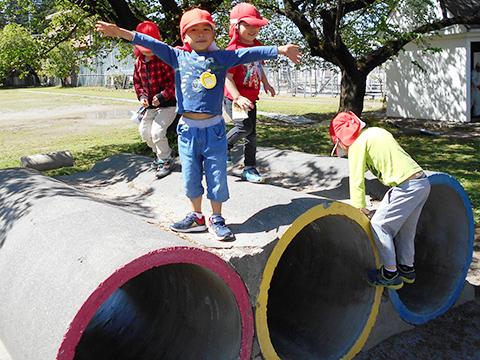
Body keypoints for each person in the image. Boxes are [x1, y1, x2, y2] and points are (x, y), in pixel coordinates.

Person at [95, 8, 301, 241]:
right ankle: (196, 216)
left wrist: (280, 50)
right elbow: (149, 41)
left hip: (214, 131)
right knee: (191, 177)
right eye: (194, 30)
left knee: (217, 176)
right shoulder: (177, 56)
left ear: (214, 34)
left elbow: (250, 54)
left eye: (206, 29)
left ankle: (216, 218)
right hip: (187, 131)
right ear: (185, 37)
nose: (200, 34)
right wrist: (120, 32)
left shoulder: (222, 58)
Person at [329, 111, 431, 290]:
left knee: (379, 225)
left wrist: (360, 206)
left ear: (343, 137)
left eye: (339, 143)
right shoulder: (376, 132)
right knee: (406, 228)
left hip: (405, 187)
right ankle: (407, 268)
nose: (342, 148)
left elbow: (356, 178)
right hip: (422, 183)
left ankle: (390, 273)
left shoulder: (358, 145)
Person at [223, 3, 275, 183]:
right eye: (248, 25)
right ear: (236, 26)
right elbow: (227, 78)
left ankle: (249, 168)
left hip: (251, 98)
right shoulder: (233, 50)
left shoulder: (257, 46)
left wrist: (266, 83)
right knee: (244, 128)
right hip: (235, 97)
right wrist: (237, 97)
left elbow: (258, 67)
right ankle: (223, 146)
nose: (253, 29)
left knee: (252, 135)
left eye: (256, 25)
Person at [133, 21, 177, 179]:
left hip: (167, 105)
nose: (148, 52)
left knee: (157, 132)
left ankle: (165, 160)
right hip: (150, 107)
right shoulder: (138, 62)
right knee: (145, 133)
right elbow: (137, 83)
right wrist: (143, 96)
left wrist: (162, 96)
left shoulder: (163, 60)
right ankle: (163, 154)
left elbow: (174, 82)